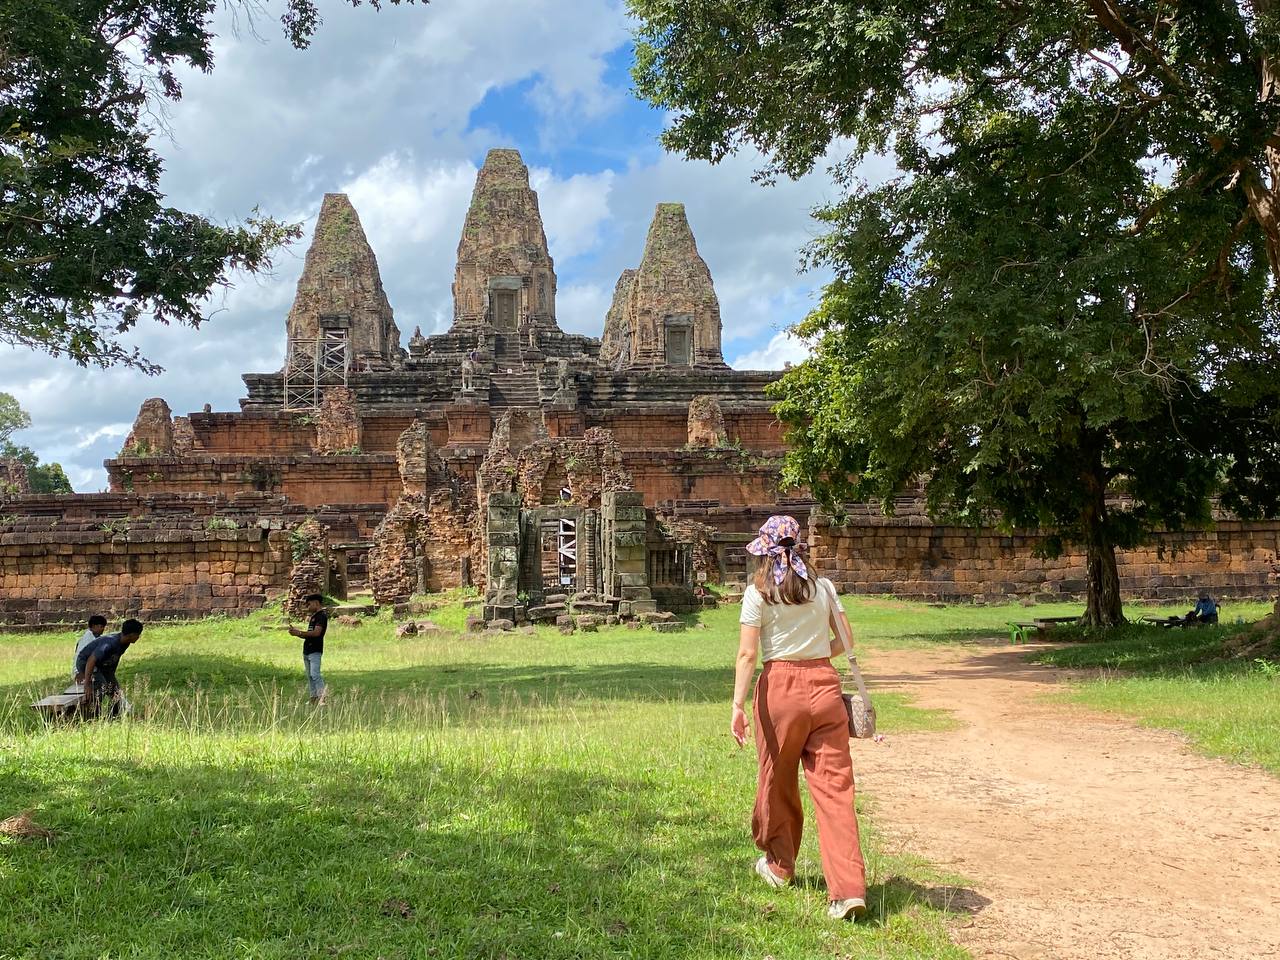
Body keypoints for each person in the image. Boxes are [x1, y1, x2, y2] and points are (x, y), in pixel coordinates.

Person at [732, 516, 867, 922]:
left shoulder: (759, 592)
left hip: (780, 690)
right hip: (825, 684)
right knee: (835, 790)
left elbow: (747, 655)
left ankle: (779, 865)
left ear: (766, 551)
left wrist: (737, 706)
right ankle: (847, 891)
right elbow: (847, 641)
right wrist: (815, 656)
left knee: (776, 779)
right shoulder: (822, 587)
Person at [77, 619, 144, 718]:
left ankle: (113, 716)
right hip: (86, 663)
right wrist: (87, 684)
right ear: (131, 634)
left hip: (102, 665)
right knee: (102, 686)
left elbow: (113, 659)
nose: (138, 637)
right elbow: (91, 660)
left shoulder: (125, 643)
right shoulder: (110, 643)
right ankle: (92, 715)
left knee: (115, 690)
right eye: (138, 635)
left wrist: (111, 678)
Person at [289, 594, 328, 704]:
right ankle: (313, 697)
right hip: (307, 649)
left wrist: (300, 632)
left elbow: (316, 633)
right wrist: (297, 633)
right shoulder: (314, 617)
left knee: (315, 674)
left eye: (309, 604)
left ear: (316, 603)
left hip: (315, 649)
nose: (308, 607)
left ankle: (322, 697)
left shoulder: (322, 616)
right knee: (309, 676)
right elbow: (309, 633)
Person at [72, 615, 108, 681]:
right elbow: (79, 657)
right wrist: (78, 672)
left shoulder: (93, 637)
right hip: (82, 672)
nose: (103, 629)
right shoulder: (88, 639)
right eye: (101, 627)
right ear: (94, 626)